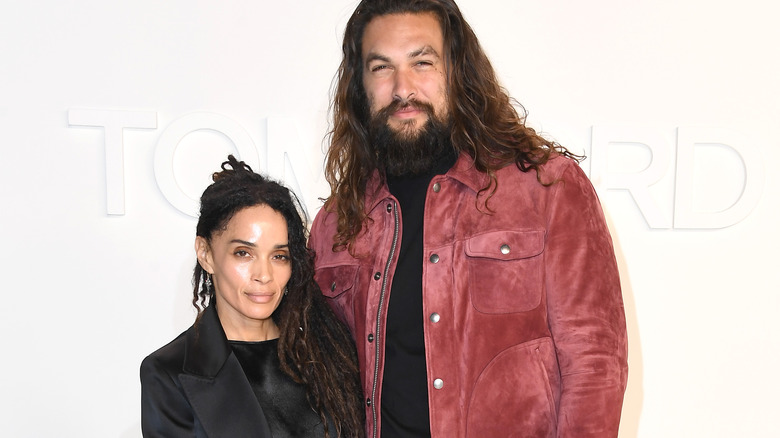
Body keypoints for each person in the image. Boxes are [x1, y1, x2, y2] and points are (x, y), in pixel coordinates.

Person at [308, 1, 628, 437]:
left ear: (457, 70)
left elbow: (594, 363)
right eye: (382, 68)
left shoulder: (548, 189)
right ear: (360, 85)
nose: (403, 88)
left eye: (423, 62)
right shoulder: (335, 225)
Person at [141, 156, 364, 438]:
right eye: (243, 253)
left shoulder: (325, 350)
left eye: (279, 256)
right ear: (206, 253)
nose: (264, 274)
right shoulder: (169, 372)